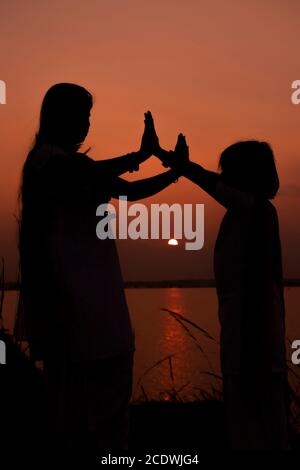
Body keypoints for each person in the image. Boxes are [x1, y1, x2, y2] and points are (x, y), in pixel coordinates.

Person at [19, 83, 180, 449]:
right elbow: (86, 177)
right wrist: (142, 153)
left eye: (88, 116)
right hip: (72, 307)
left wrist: (174, 172)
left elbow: (128, 191)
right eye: (80, 115)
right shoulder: (47, 161)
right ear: (58, 117)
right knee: (74, 416)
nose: (86, 123)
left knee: (105, 415)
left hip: (101, 304)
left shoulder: (77, 165)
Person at [153, 126, 290, 449]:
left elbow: (210, 183)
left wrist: (177, 163)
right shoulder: (249, 212)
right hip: (247, 332)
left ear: (245, 176)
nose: (223, 176)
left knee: (256, 423)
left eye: (229, 171)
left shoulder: (254, 209)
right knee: (256, 420)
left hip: (253, 335)